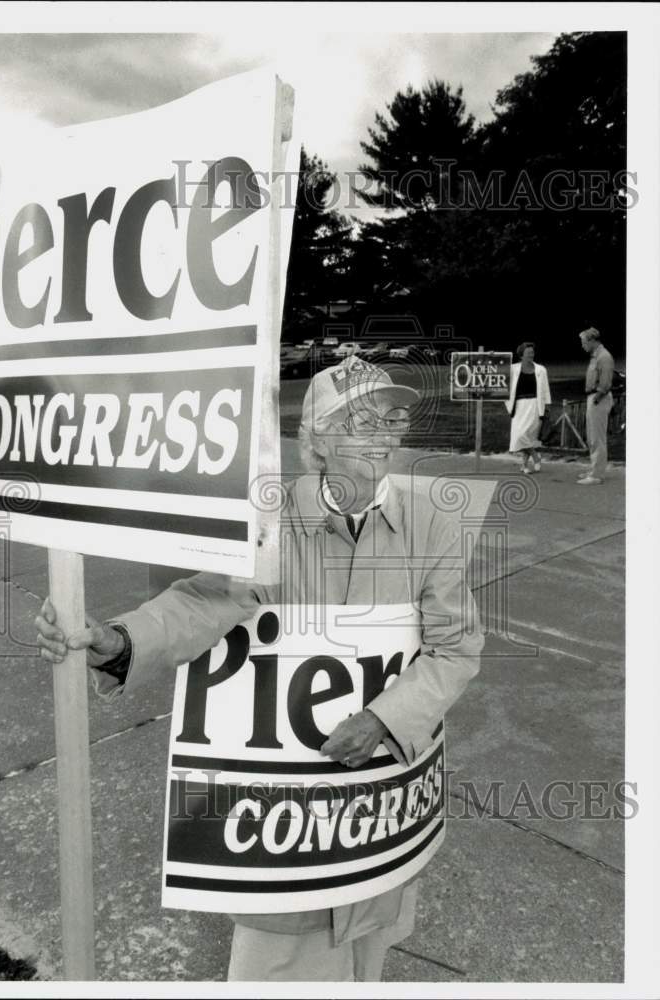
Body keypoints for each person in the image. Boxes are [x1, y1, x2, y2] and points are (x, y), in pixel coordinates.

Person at [35, 355, 484, 983]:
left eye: (392, 419)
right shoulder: (267, 522)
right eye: (364, 421)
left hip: (382, 816)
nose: (387, 435)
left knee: (368, 966)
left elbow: (455, 648)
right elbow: (202, 603)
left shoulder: (433, 521)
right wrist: (119, 640)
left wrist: (385, 719)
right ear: (320, 443)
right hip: (285, 836)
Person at [505, 342, 551, 474]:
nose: (531, 355)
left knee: (529, 436)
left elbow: (545, 389)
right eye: (528, 353)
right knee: (519, 436)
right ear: (521, 355)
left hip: (535, 405)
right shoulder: (513, 368)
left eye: (532, 352)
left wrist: (547, 405)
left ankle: (524, 465)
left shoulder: (541, 369)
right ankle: (536, 457)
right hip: (519, 406)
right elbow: (498, 370)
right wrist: (492, 357)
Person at [577, 327, 615, 485]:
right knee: (592, 437)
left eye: (584, 342)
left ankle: (596, 475)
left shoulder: (604, 357)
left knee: (597, 438)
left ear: (592, 340)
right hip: (594, 398)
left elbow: (605, 384)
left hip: (599, 398)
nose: (582, 345)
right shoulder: (596, 356)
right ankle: (594, 469)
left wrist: (596, 399)